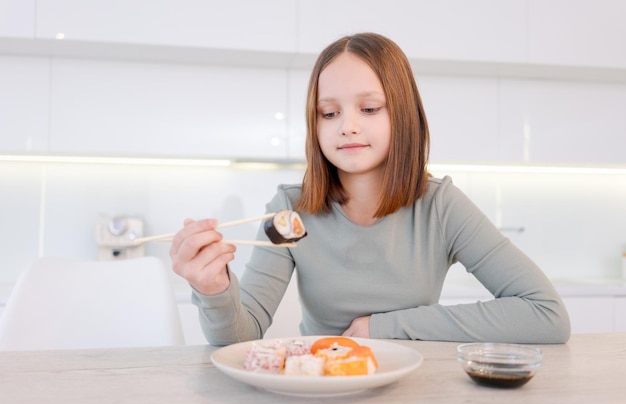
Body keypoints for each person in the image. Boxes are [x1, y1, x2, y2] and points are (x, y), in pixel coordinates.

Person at [170, 32, 571, 346]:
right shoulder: (290, 210)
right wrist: (216, 290)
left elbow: (546, 314)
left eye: (369, 108)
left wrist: (384, 327)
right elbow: (242, 336)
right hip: (323, 388)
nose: (347, 125)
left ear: (403, 115)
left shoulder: (441, 206)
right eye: (329, 113)